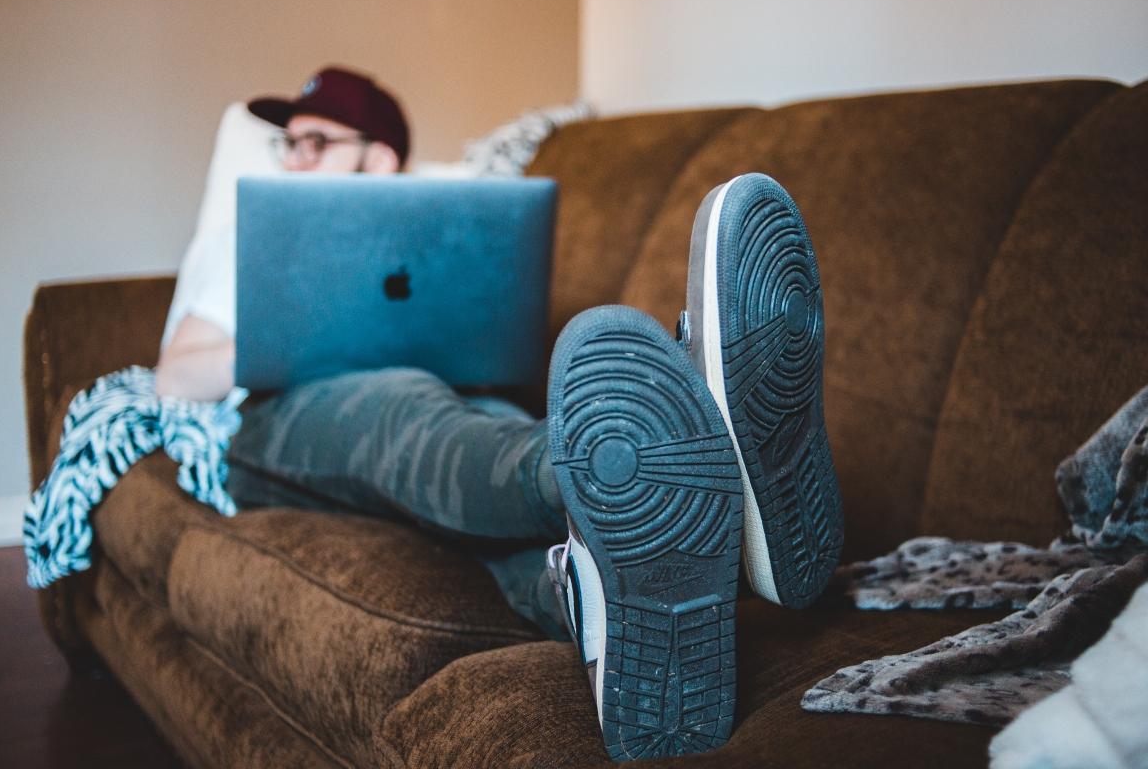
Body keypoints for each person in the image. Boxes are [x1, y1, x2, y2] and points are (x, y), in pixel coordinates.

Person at [156, 66, 844, 762]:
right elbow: (176, 372)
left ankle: (613, 593)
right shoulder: (260, 232)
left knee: (476, 461)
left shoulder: (446, 229)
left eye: (315, 142)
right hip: (277, 417)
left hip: (450, 397)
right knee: (409, 415)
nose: (293, 159)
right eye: (289, 144)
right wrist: (298, 339)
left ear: (381, 155)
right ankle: (664, 452)